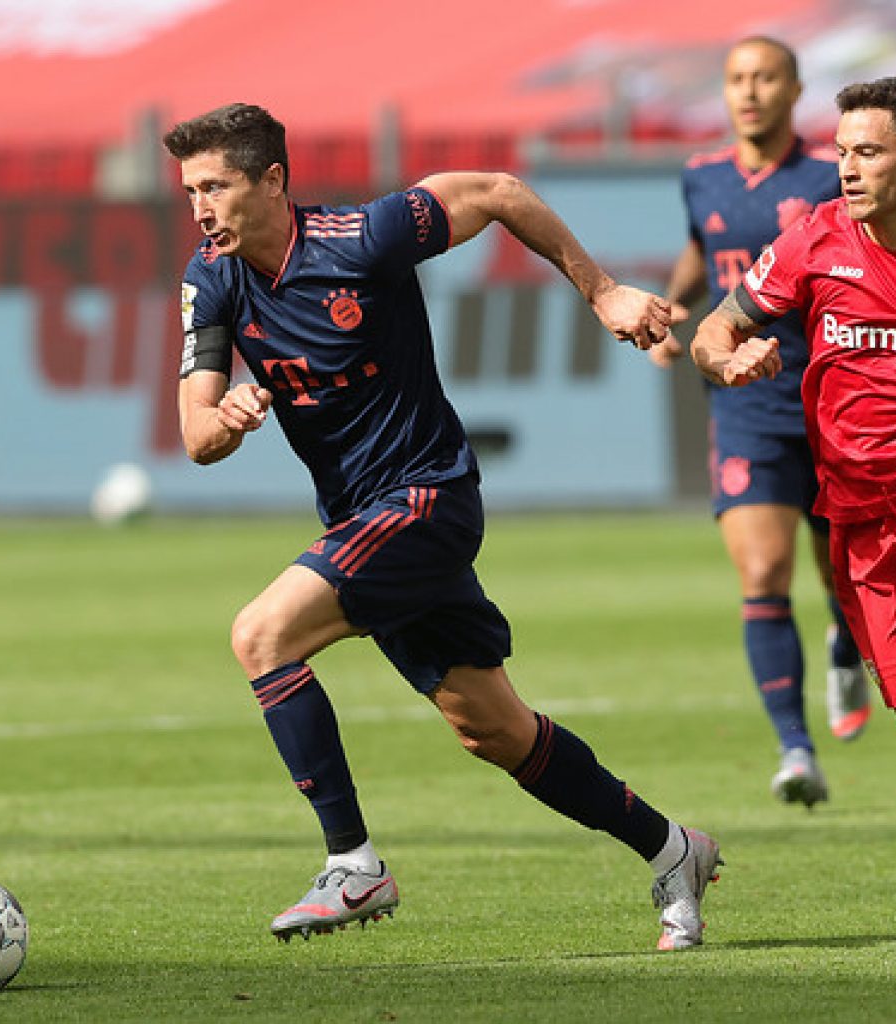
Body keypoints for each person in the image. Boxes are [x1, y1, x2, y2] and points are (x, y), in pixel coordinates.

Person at [163, 103, 722, 951]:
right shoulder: (212, 279)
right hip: (366, 522)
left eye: (216, 187)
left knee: (261, 636)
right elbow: (196, 435)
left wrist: (602, 290)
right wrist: (229, 419)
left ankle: (352, 863)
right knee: (494, 730)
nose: (201, 208)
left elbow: (498, 192)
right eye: (190, 192)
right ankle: (674, 849)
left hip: (426, 498)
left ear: (272, 180)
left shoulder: (365, 238)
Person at [691, 76, 896, 951]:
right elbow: (713, 331)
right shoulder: (815, 239)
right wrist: (728, 361)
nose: (847, 170)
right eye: (843, 151)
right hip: (859, 516)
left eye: (868, 153)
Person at [649, 36, 869, 809]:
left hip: (833, 399)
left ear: (795, 89)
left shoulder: (829, 176)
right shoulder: (702, 175)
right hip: (744, 401)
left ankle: (846, 641)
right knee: (763, 574)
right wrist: (674, 307)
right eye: (737, 78)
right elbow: (701, 248)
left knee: (843, 576)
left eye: (765, 77)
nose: (749, 91)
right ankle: (795, 749)